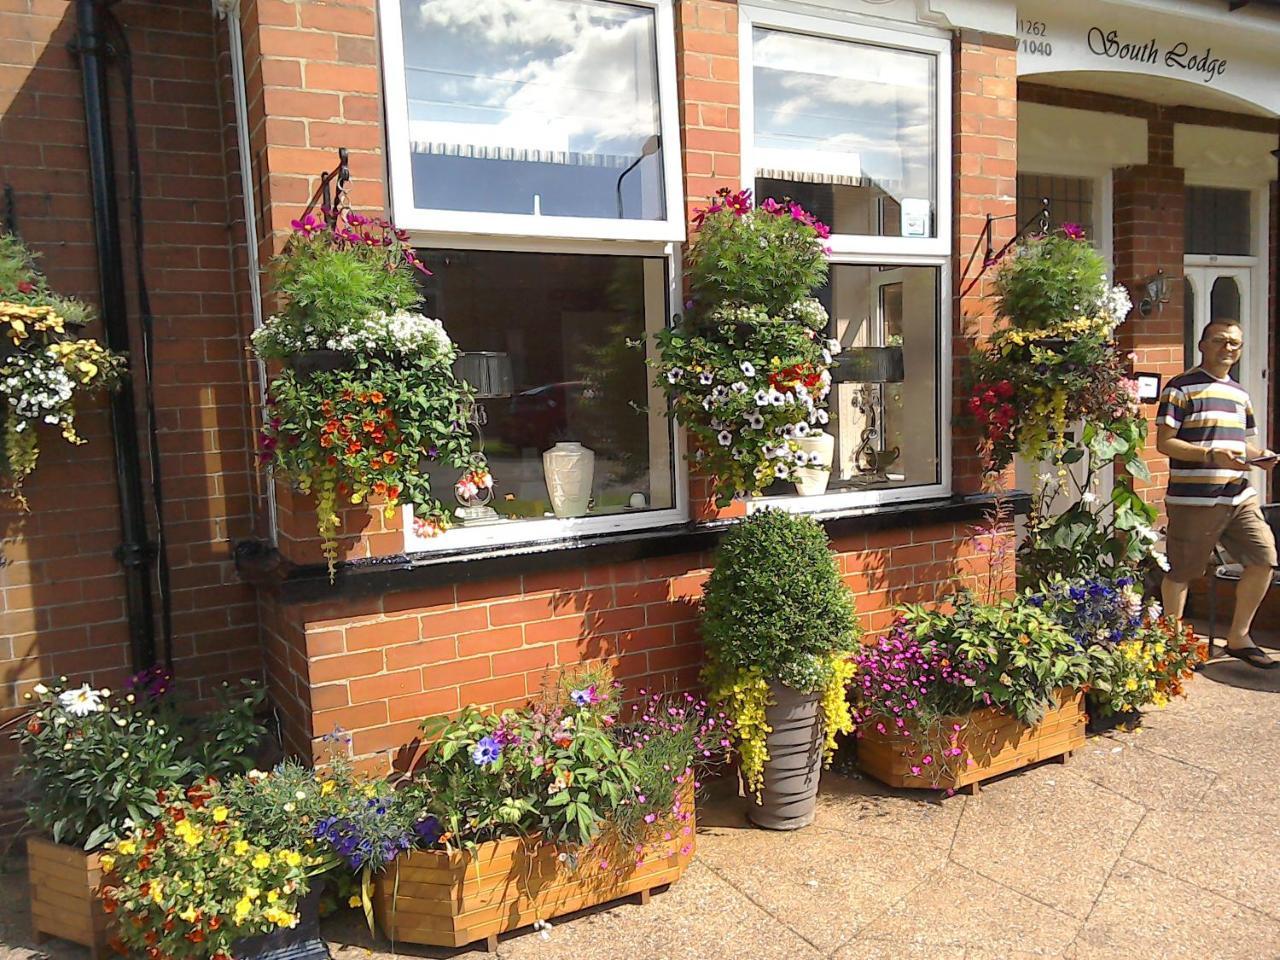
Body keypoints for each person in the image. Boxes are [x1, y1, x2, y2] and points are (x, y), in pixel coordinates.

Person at [1156, 319, 1278, 669]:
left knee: (1263, 558)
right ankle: (1173, 645)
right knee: (1183, 571)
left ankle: (1239, 637)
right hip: (1194, 498)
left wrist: (1262, 457)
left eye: (1235, 344)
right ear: (1203, 345)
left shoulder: (1240, 394)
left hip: (1238, 495)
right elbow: (1165, 443)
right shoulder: (1181, 387)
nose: (1228, 349)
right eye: (1221, 341)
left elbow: (1243, 443)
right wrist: (1210, 454)